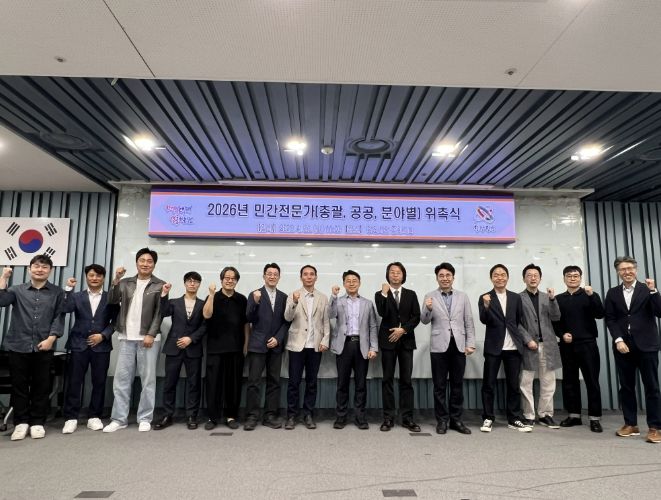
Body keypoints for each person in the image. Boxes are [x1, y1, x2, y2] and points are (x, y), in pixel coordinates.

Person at [0, 256, 65, 441]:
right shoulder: (17, 290)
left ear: (50, 270)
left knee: (41, 386)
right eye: (36, 266)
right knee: (19, 386)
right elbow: (1, 301)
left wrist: (51, 338)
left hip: (43, 346)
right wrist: (4, 277)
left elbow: (59, 317)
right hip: (18, 345)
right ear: (29, 269)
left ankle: (37, 422)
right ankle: (21, 422)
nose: (39, 269)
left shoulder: (57, 292)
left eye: (44, 267)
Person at [103, 248, 165, 433]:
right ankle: (119, 418)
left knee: (148, 381)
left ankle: (145, 418)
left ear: (154, 264)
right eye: (142, 260)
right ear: (136, 263)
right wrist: (116, 279)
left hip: (148, 339)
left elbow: (160, 312)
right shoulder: (125, 283)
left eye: (149, 261)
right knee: (121, 380)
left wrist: (151, 334)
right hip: (126, 337)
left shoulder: (159, 285)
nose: (145, 264)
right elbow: (112, 300)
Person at [605, 256, 661, 443]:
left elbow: (659, 311)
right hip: (623, 347)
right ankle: (631, 424)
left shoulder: (647, 289)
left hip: (647, 346)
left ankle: (655, 427)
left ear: (636, 270)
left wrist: (654, 291)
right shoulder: (612, 293)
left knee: (652, 387)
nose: (627, 272)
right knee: (626, 387)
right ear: (618, 272)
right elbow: (610, 318)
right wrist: (618, 340)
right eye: (623, 269)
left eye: (630, 268)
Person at [60, 264, 118, 434]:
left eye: (98, 276)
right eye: (91, 275)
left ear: (103, 278)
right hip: (79, 344)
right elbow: (65, 308)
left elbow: (116, 321)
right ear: (86, 277)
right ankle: (71, 417)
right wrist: (68, 289)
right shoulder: (77, 296)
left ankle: (94, 416)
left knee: (99, 382)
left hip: (102, 346)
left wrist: (103, 335)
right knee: (74, 381)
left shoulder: (110, 298)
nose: (95, 278)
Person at [421, 262, 475, 435]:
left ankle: (456, 420)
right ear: (437, 278)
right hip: (439, 346)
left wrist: (470, 343)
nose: (445, 278)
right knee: (439, 386)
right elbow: (424, 320)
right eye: (441, 276)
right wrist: (428, 308)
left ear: (453, 277)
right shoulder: (430, 296)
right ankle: (442, 420)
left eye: (448, 275)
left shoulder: (463, 296)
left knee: (457, 385)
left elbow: (468, 321)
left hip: (459, 345)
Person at [478, 264, 531, 433]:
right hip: (493, 347)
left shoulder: (515, 297)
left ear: (507, 277)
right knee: (488, 384)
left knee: (513, 385)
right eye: (496, 275)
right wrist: (486, 306)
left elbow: (518, 321)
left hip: (513, 348)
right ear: (491, 278)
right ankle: (488, 417)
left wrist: (525, 340)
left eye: (502, 274)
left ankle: (513, 418)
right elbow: (484, 320)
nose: (499, 277)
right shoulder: (485, 297)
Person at [553, 265, 605, 432]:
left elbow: (600, 314)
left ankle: (594, 418)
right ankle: (574, 415)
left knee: (592, 381)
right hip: (567, 346)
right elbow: (554, 322)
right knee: (570, 381)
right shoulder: (558, 299)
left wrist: (592, 296)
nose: (572, 278)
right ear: (564, 279)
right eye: (569, 276)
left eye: (576, 275)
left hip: (588, 344)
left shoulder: (589, 295)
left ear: (580, 278)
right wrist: (562, 334)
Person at [154, 271, 206, 431]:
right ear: (184, 283)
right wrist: (164, 294)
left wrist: (191, 338)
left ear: (199, 284)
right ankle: (167, 415)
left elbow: (205, 326)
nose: (192, 284)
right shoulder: (174, 302)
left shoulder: (203, 304)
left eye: (196, 281)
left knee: (194, 384)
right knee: (170, 383)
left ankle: (192, 416)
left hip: (193, 348)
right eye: (189, 281)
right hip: (174, 347)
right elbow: (163, 312)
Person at [374, 262, 421, 432]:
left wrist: (403, 330)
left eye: (398, 272)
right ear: (388, 275)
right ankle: (388, 418)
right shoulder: (380, 294)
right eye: (392, 272)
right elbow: (382, 312)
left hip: (406, 341)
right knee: (387, 379)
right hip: (388, 341)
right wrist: (384, 294)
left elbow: (416, 316)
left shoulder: (411, 294)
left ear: (403, 275)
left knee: (406, 380)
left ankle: (407, 418)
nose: (395, 275)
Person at [329, 270, 378, 430]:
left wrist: (373, 347)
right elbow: (330, 314)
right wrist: (333, 296)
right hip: (344, 345)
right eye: (348, 281)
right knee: (342, 384)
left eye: (354, 280)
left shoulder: (368, 303)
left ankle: (360, 417)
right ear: (344, 284)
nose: (351, 283)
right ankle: (341, 417)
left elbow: (372, 326)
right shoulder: (338, 301)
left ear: (359, 283)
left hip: (361, 346)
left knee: (360, 384)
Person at [283, 265, 330, 430]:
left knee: (311, 382)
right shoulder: (293, 295)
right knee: (293, 382)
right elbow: (287, 317)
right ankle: (291, 415)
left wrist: (325, 340)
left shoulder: (323, 297)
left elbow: (326, 321)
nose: (309, 277)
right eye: (305, 274)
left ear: (316, 277)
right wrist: (294, 302)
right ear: (301, 277)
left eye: (312, 274)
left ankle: (308, 414)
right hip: (297, 345)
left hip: (315, 346)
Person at [202, 266, 249, 430]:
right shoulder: (212, 297)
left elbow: (245, 324)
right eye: (227, 278)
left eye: (233, 278)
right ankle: (212, 417)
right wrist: (211, 295)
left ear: (237, 281)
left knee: (233, 384)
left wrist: (246, 344)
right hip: (215, 348)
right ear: (221, 280)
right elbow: (206, 315)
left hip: (236, 348)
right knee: (213, 384)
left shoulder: (242, 299)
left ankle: (231, 416)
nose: (230, 281)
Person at [244, 263, 289, 430]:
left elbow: (286, 321)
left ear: (279, 277)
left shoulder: (284, 297)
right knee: (253, 382)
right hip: (257, 345)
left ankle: (270, 415)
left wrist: (278, 338)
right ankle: (251, 416)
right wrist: (255, 303)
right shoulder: (255, 294)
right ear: (264, 276)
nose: (272, 276)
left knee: (274, 382)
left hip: (276, 345)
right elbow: (249, 317)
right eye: (269, 273)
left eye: (275, 274)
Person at [518, 264, 562, 429]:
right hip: (528, 346)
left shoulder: (547, 297)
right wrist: (527, 339)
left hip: (548, 345)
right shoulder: (518, 298)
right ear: (524, 279)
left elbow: (556, 317)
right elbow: (516, 323)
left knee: (548, 382)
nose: (533, 278)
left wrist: (552, 299)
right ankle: (528, 415)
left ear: (540, 278)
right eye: (529, 275)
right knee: (526, 382)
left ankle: (545, 414)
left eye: (536, 275)